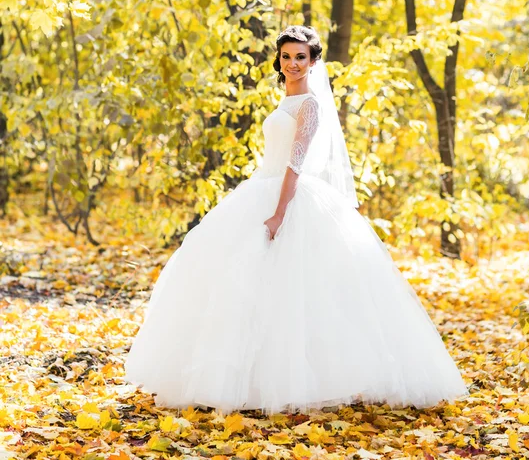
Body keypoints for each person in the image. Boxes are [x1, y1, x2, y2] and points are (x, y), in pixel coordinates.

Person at [123, 25, 468, 415]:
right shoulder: (285, 100)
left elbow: (295, 164)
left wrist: (279, 213)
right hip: (262, 187)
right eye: (286, 57)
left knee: (301, 290)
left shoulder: (309, 105)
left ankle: (304, 381)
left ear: (313, 61)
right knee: (241, 284)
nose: (292, 64)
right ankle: (245, 379)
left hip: (288, 196)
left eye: (300, 57)